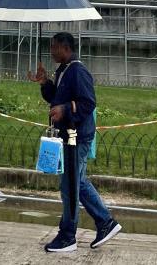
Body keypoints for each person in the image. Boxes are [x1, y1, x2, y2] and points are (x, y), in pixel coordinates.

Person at [29, 32, 121, 253]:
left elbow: (87, 103)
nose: (51, 51)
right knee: (76, 181)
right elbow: (56, 98)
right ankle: (105, 222)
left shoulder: (78, 71)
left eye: (54, 47)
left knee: (69, 186)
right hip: (69, 135)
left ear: (65, 48)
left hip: (76, 136)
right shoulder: (63, 70)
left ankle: (68, 235)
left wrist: (65, 109)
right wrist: (44, 83)